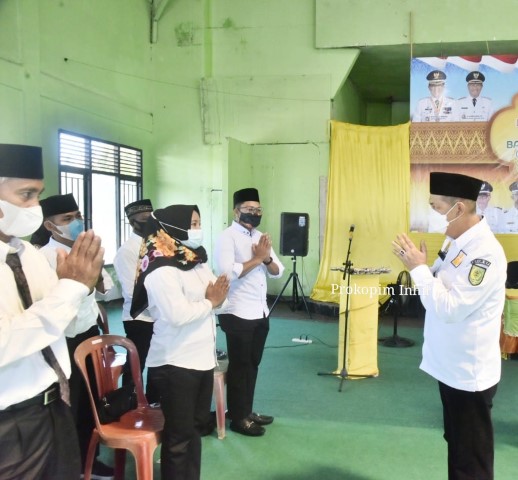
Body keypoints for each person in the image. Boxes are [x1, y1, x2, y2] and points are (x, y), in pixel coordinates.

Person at [392, 172, 507, 479]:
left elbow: (450, 307)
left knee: (471, 462)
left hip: (469, 374)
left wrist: (418, 270)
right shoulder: (455, 242)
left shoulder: (485, 253)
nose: (434, 214)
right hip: (451, 369)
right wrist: (421, 268)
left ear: (458, 208)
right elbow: (438, 283)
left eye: (437, 207)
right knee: (458, 449)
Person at [0, 143, 104, 480]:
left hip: (53, 404)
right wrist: (71, 288)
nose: (35, 206)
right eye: (26, 195)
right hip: (10, 421)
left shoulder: (28, 254)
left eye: (38, 195)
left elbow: (64, 326)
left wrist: (80, 289)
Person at [130, 204, 229, 480]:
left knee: (194, 430)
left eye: (198, 223)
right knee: (179, 437)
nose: (198, 229)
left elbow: (222, 298)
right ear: (173, 227)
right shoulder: (161, 268)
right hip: (175, 363)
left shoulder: (194, 259)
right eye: (193, 223)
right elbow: (177, 315)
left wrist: (213, 302)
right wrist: (210, 303)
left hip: (202, 359)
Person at [38, 193, 114, 480]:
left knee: (93, 401)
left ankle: (90, 460)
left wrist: (95, 269)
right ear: (50, 225)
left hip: (89, 334)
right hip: (63, 342)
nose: (77, 222)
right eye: (67, 219)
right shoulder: (44, 258)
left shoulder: (89, 251)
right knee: (71, 404)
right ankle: (71, 465)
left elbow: (105, 289)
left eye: (78, 216)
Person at [214, 187, 285, 436]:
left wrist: (266, 258)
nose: (254, 213)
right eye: (249, 209)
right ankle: (238, 418)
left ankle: (245, 410)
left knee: (252, 364)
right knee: (240, 365)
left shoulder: (260, 237)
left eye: (258, 210)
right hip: (237, 312)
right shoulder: (227, 237)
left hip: (260, 311)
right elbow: (227, 272)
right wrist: (258, 259)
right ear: (236, 211)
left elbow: (277, 271)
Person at [112, 199, 156, 400]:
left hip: (158, 316)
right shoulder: (127, 252)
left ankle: (154, 400)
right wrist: (163, 302)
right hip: (139, 318)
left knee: (157, 362)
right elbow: (132, 292)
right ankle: (128, 402)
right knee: (136, 365)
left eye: (152, 217)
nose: (151, 222)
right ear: (132, 222)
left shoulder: (156, 245)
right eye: (145, 219)